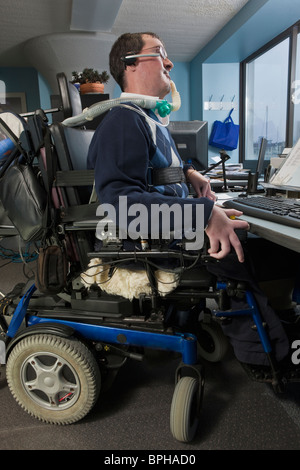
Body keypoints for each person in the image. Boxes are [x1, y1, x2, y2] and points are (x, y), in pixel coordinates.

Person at [87, 32, 299, 367]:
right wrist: (203, 214)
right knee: (261, 247)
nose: (169, 62)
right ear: (131, 64)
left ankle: (277, 325)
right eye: (159, 53)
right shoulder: (122, 121)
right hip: (147, 244)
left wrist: (189, 174)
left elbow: (153, 169)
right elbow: (121, 208)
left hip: (169, 234)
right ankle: (269, 355)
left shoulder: (147, 118)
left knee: (259, 241)